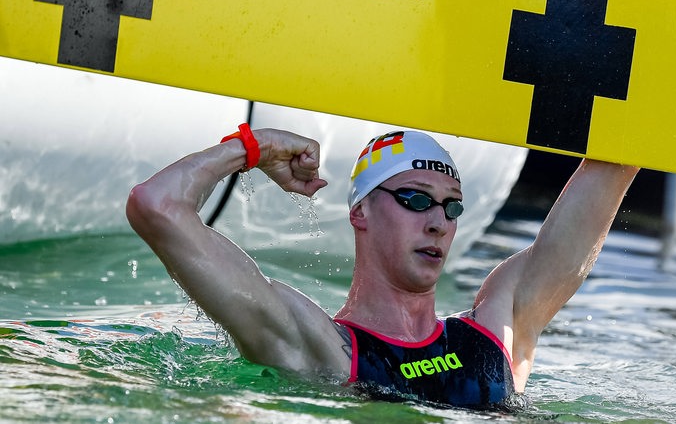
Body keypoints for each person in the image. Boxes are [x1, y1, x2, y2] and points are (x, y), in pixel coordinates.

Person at [126, 125, 639, 409]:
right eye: (416, 199)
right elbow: (157, 206)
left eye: (451, 206)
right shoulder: (319, 347)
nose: (438, 221)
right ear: (360, 211)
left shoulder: (498, 331)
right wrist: (252, 149)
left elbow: (621, 153)